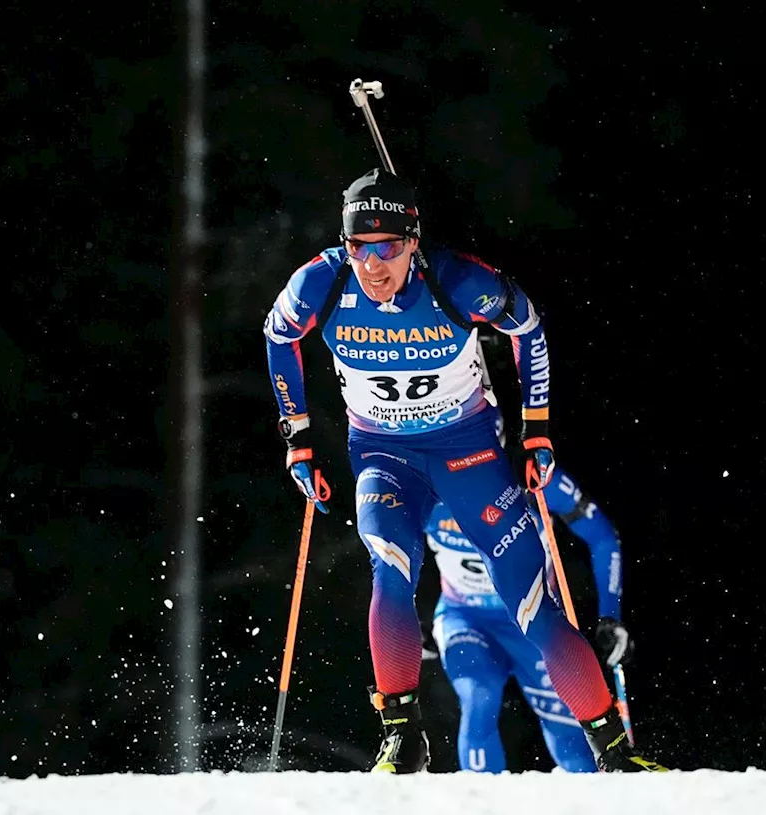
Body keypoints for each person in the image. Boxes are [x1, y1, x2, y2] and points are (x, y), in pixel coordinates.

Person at [263, 167, 667, 774]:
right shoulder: (319, 283)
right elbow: (277, 336)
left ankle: (614, 751)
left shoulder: (458, 281)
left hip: (466, 451)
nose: (374, 264)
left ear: (413, 242)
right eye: (360, 249)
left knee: (533, 603)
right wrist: (297, 438)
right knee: (390, 569)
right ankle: (402, 735)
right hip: (383, 454)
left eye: (389, 248)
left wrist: (536, 430)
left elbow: (528, 326)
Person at [422, 443, 634, 773]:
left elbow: (604, 538)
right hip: (465, 619)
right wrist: (408, 619)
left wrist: (611, 616)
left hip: (533, 620)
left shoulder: (534, 478)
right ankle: (476, 802)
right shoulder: (428, 485)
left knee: (569, 733)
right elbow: (390, 553)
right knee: (479, 698)